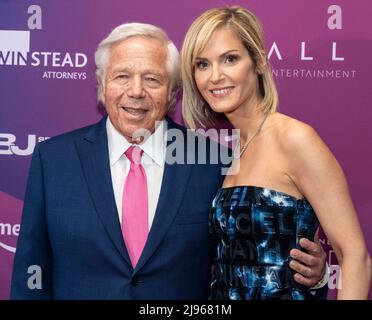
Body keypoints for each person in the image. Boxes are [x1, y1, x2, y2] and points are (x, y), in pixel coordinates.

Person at [12, 22, 326, 300]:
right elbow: (31, 272)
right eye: (122, 76)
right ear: (101, 84)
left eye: (152, 79)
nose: (136, 92)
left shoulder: (213, 162)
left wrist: (315, 275)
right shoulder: (53, 160)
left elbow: (248, 260)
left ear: (173, 92)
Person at [181, 6, 371, 300]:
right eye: (202, 64)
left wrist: (319, 276)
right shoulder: (231, 151)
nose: (215, 76)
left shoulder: (295, 138)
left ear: (257, 61)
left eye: (229, 59)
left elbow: (356, 257)